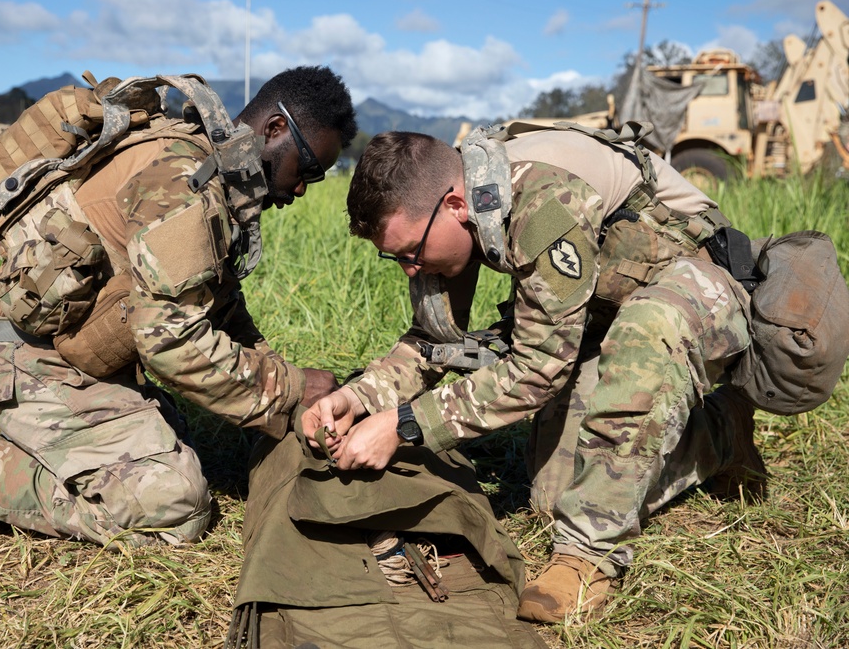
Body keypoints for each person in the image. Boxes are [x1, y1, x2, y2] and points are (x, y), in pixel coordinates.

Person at [302, 124, 766, 623]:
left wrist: (403, 424)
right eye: (395, 259)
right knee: (555, 496)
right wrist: (361, 398)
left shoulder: (546, 201)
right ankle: (722, 432)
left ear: (455, 206)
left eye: (412, 254)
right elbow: (436, 341)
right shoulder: (457, 212)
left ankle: (587, 559)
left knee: (644, 338)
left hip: (699, 287)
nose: (410, 271)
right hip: (604, 309)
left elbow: (537, 370)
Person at [0, 65, 358, 558]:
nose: (303, 189)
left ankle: (43, 444)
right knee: (174, 504)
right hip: (27, 362)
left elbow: (216, 311)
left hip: (67, 353)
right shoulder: (183, 180)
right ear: (275, 129)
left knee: (181, 444)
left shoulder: (207, 170)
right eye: (307, 170)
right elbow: (171, 345)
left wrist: (290, 390)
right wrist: (289, 387)